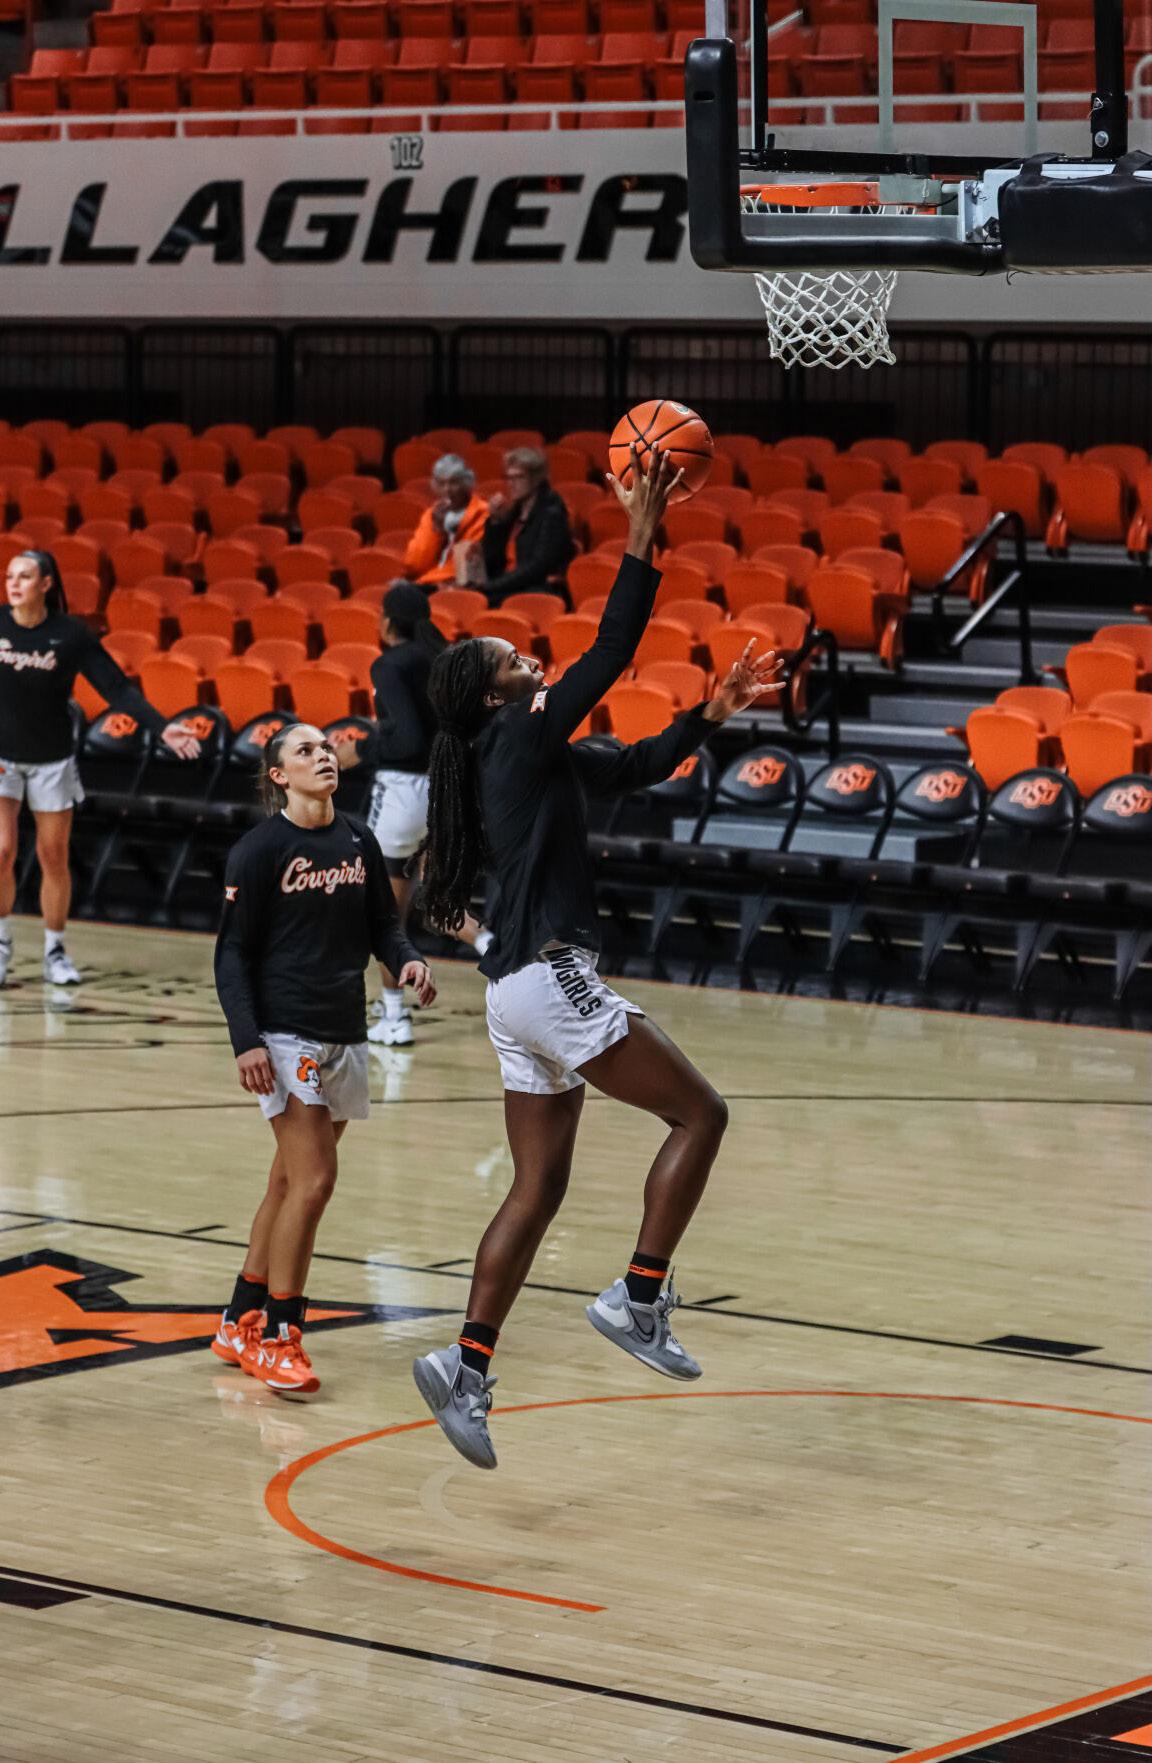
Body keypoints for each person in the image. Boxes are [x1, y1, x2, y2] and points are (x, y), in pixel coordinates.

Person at [411, 448, 782, 1469]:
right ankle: (639, 1295)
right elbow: (613, 648)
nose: (528, 657)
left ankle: (465, 1368)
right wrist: (640, 532)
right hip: (551, 973)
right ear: (493, 693)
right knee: (702, 1114)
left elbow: (634, 765)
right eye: (512, 657)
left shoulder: (523, 757)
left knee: (536, 1189)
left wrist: (709, 714)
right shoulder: (517, 734)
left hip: (511, 993)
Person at [212, 721, 435, 1396]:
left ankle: (238, 1320)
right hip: (285, 1034)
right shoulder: (259, 849)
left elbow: (383, 926)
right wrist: (247, 1039)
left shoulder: (359, 839)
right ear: (279, 775)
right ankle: (280, 1335)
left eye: (326, 747)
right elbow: (231, 953)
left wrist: (409, 960)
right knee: (314, 1181)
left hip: (345, 1031)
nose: (324, 755)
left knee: (287, 1183)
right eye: (304, 750)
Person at [0, 548, 200, 990]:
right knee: (1, 850)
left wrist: (162, 728)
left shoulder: (70, 634)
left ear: (46, 584)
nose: (13, 583)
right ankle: (1, 942)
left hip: (52, 759)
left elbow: (116, 689)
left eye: (24, 576)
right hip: (2, 758)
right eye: (10, 575)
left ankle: (55, 950)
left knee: (52, 855)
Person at [360, 581, 493, 1047]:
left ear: (387, 621)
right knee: (433, 897)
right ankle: (488, 943)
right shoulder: (445, 659)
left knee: (385, 914)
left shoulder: (389, 664)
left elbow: (408, 738)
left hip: (402, 792)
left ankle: (394, 1016)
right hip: (446, 790)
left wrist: (365, 746)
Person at [466, 447, 574, 606]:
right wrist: (495, 522)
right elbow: (490, 560)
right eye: (509, 478)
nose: (511, 484)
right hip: (507, 586)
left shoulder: (552, 514)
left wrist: (489, 587)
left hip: (536, 589)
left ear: (536, 479)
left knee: (476, 602)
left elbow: (537, 567)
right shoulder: (513, 512)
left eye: (519, 477)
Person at [402, 455, 488, 587]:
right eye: (441, 484)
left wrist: (433, 582)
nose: (447, 489)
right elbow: (414, 565)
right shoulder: (431, 515)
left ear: (466, 484)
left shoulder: (482, 514)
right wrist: (436, 530)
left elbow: (465, 571)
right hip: (427, 582)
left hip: (454, 585)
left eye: (453, 483)